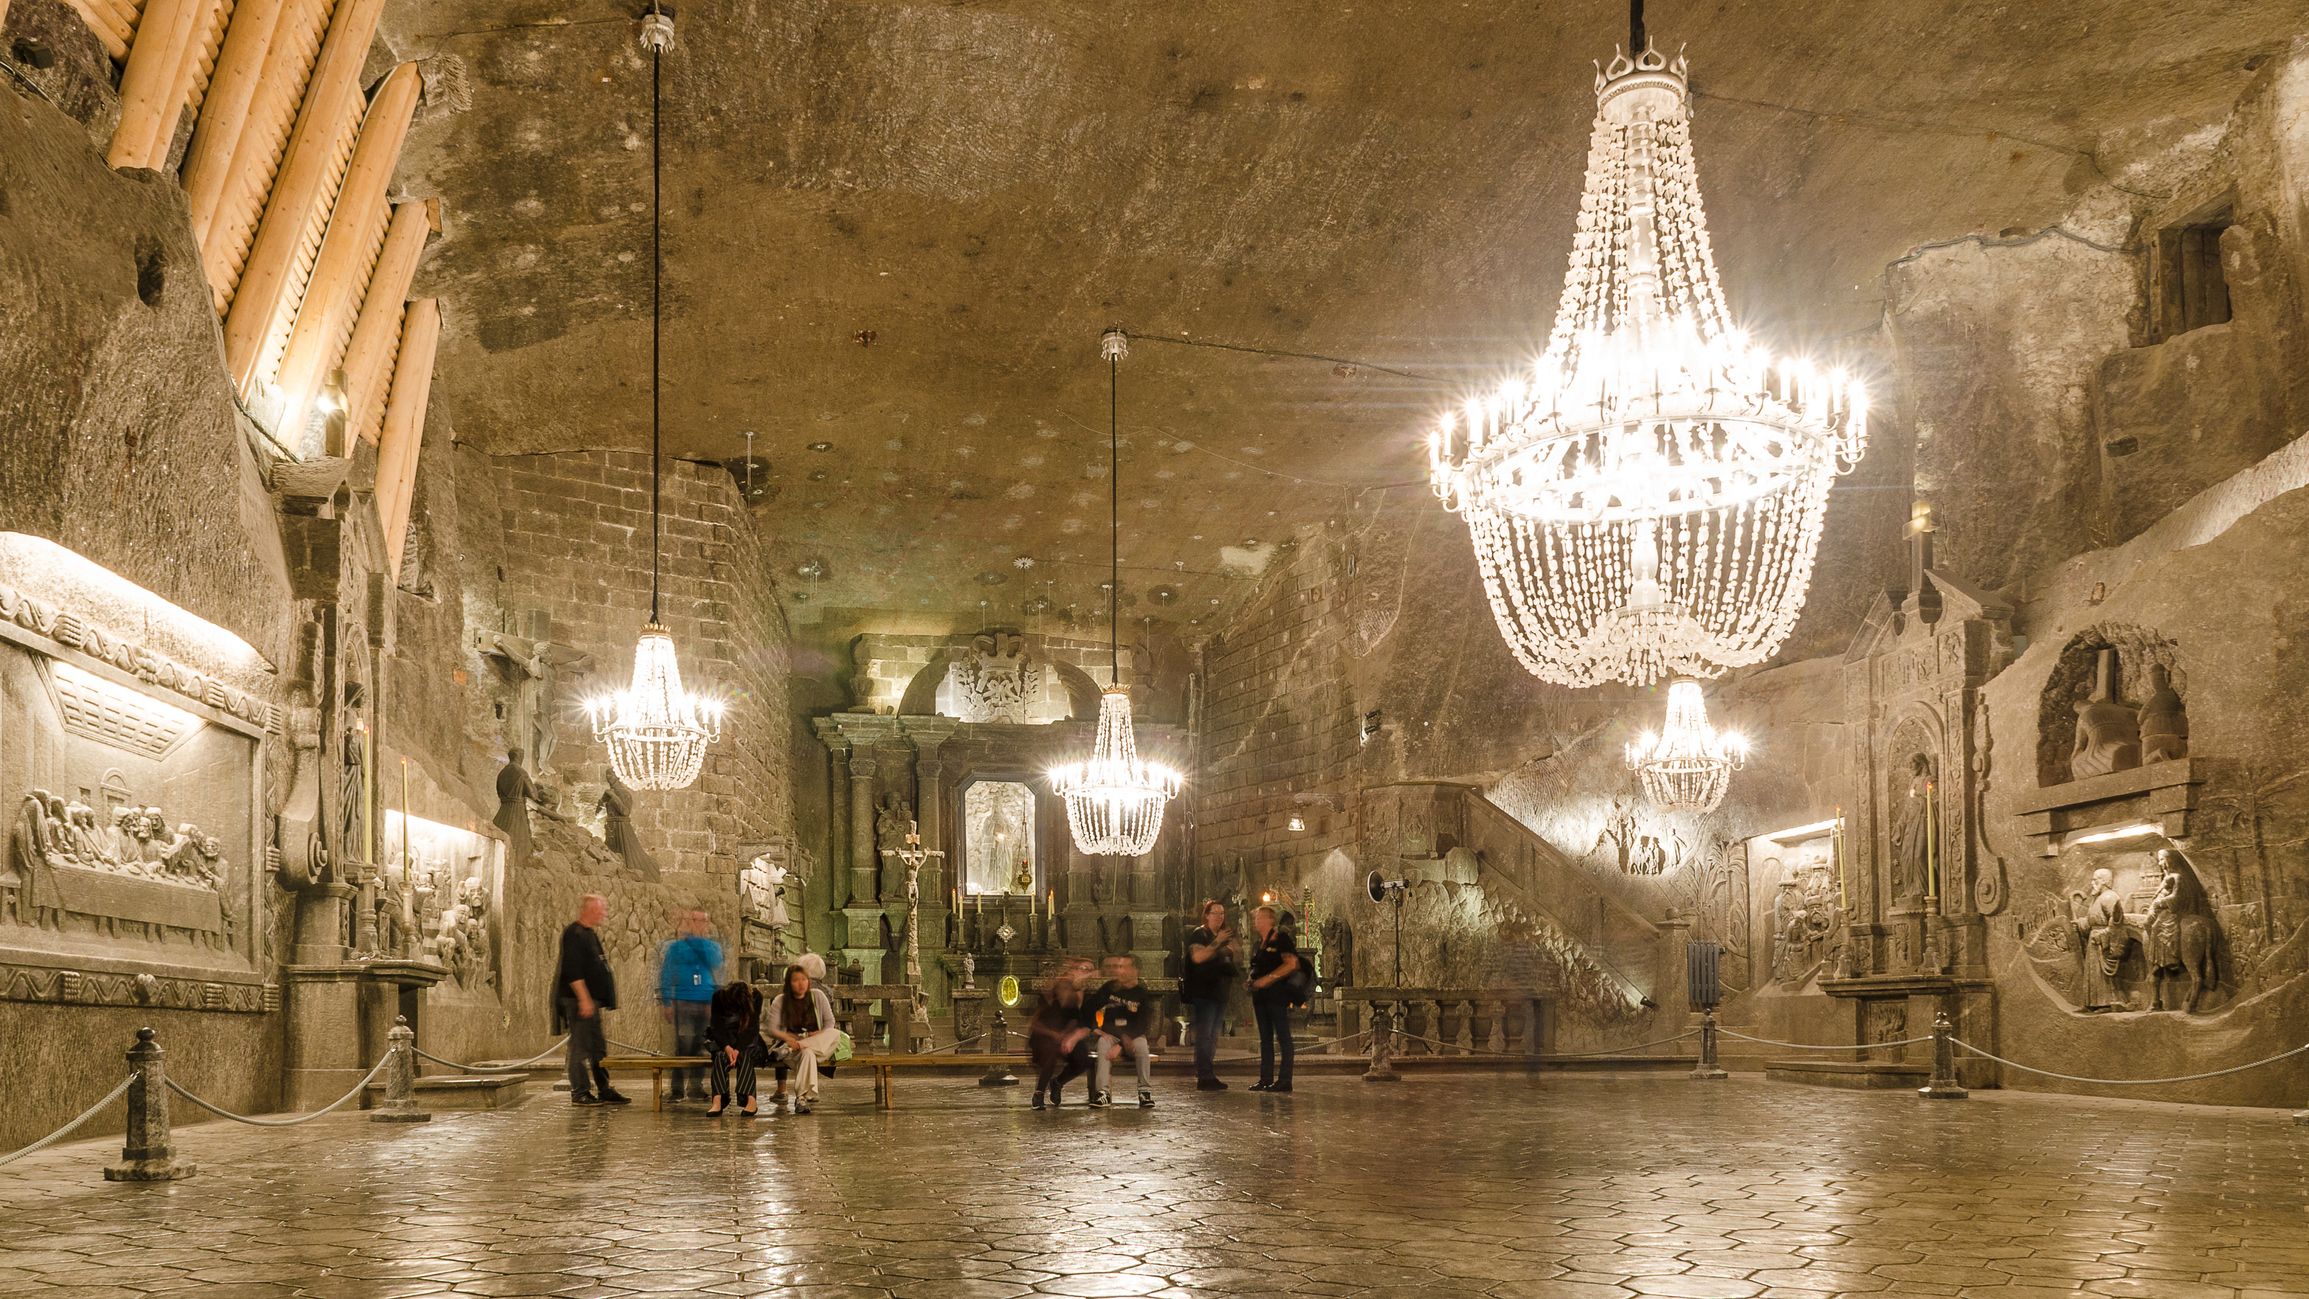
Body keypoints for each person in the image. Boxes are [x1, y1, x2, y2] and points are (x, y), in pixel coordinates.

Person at [553, 894, 629, 1106]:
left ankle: (604, 1088)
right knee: (579, 1047)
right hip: (578, 1001)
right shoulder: (574, 933)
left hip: (591, 1001)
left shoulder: (589, 933)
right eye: (600, 909)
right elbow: (572, 970)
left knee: (598, 1047)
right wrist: (584, 998)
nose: (604, 913)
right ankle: (579, 1091)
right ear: (589, 910)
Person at [658, 909, 722, 1102]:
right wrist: (667, 1002)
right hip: (683, 1002)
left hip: (705, 1002)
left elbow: (715, 963)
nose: (700, 924)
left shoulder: (711, 947)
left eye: (704, 921)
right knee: (681, 1044)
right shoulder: (676, 948)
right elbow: (666, 973)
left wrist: (700, 940)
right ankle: (677, 1089)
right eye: (697, 920)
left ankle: (696, 1086)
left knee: (701, 1044)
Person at [764, 963, 839, 1113]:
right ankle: (802, 1099)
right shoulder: (781, 1000)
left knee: (834, 1033)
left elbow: (830, 1023)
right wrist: (788, 1038)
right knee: (808, 1054)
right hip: (791, 1046)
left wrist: (816, 1034)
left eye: (804, 979)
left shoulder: (817, 996)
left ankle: (795, 1048)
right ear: (789, 983)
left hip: (816, 1044)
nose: (801, 984)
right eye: (796, 980)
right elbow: (771, 1028)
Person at [1087, 953, 1159, 1108]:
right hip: (1111, 1034)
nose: (1120, 971)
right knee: (1103, 1044)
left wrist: (1123, 1043)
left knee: (1142, 1046)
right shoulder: (1109, 988)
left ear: (1135, 970)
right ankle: (1102, 1093)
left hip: (1134, 1036)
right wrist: (1095, 1029)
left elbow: (1142, 1024)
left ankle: (1144, 1092)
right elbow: (1089, 1008)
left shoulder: (1141, 993)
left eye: (1124, 967)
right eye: (1120, 967)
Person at [1182, 899, 1238, 1091]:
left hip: (1219, 992)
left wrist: (1232, 949)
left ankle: (1207, 1072)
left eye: (1222, 913)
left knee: (1213, 1036)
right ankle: (1205, 1075)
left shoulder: (1224, 935)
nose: (1220, 917)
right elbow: (1198, 957)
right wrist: (1218, 943)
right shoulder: (1199, 934)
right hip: (1203, 993)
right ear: (1206, 915)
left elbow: (1236, 956)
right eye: (1215, 913)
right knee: (1205, 1035)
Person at [1245, 904, 1299, 1093]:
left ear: (1270, 920)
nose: (1256, 921)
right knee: (1265, 1039)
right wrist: (1252, 980)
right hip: (1260, 997)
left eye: (1260, 918)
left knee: (1283, 1037)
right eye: (1256, 918)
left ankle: (1285, 1080)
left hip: (1276, 995)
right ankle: (1265, 1078)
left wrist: (1269, 979)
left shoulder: (1281, 938)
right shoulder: (1259, 942)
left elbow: (1291, 963)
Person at [1028, 958, 1095, 1110]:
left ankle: (1058, 1082)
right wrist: (1055, 1035)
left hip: (1067, 1036)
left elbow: (1077, 1020)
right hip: (1044, 1036)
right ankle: (1039, 1093)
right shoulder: (1052, 993)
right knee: (1050, 1053)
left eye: (1088, 971)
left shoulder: (1083, 996)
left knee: (1083, 1058)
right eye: (1082, 969)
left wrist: (1067, 1035)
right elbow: (1036, 1024)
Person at [704, 977, 769, 1117]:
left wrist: (737, 1049)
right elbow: (716, 1027)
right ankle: (718, 1100)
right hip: (724, 1042)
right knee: (720, 1057)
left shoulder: (755, 997)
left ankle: (750, 1100)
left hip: (750, 1043)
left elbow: (752, 1029)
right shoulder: (719, 997)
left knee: (745, 1056)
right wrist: (727, 1048)